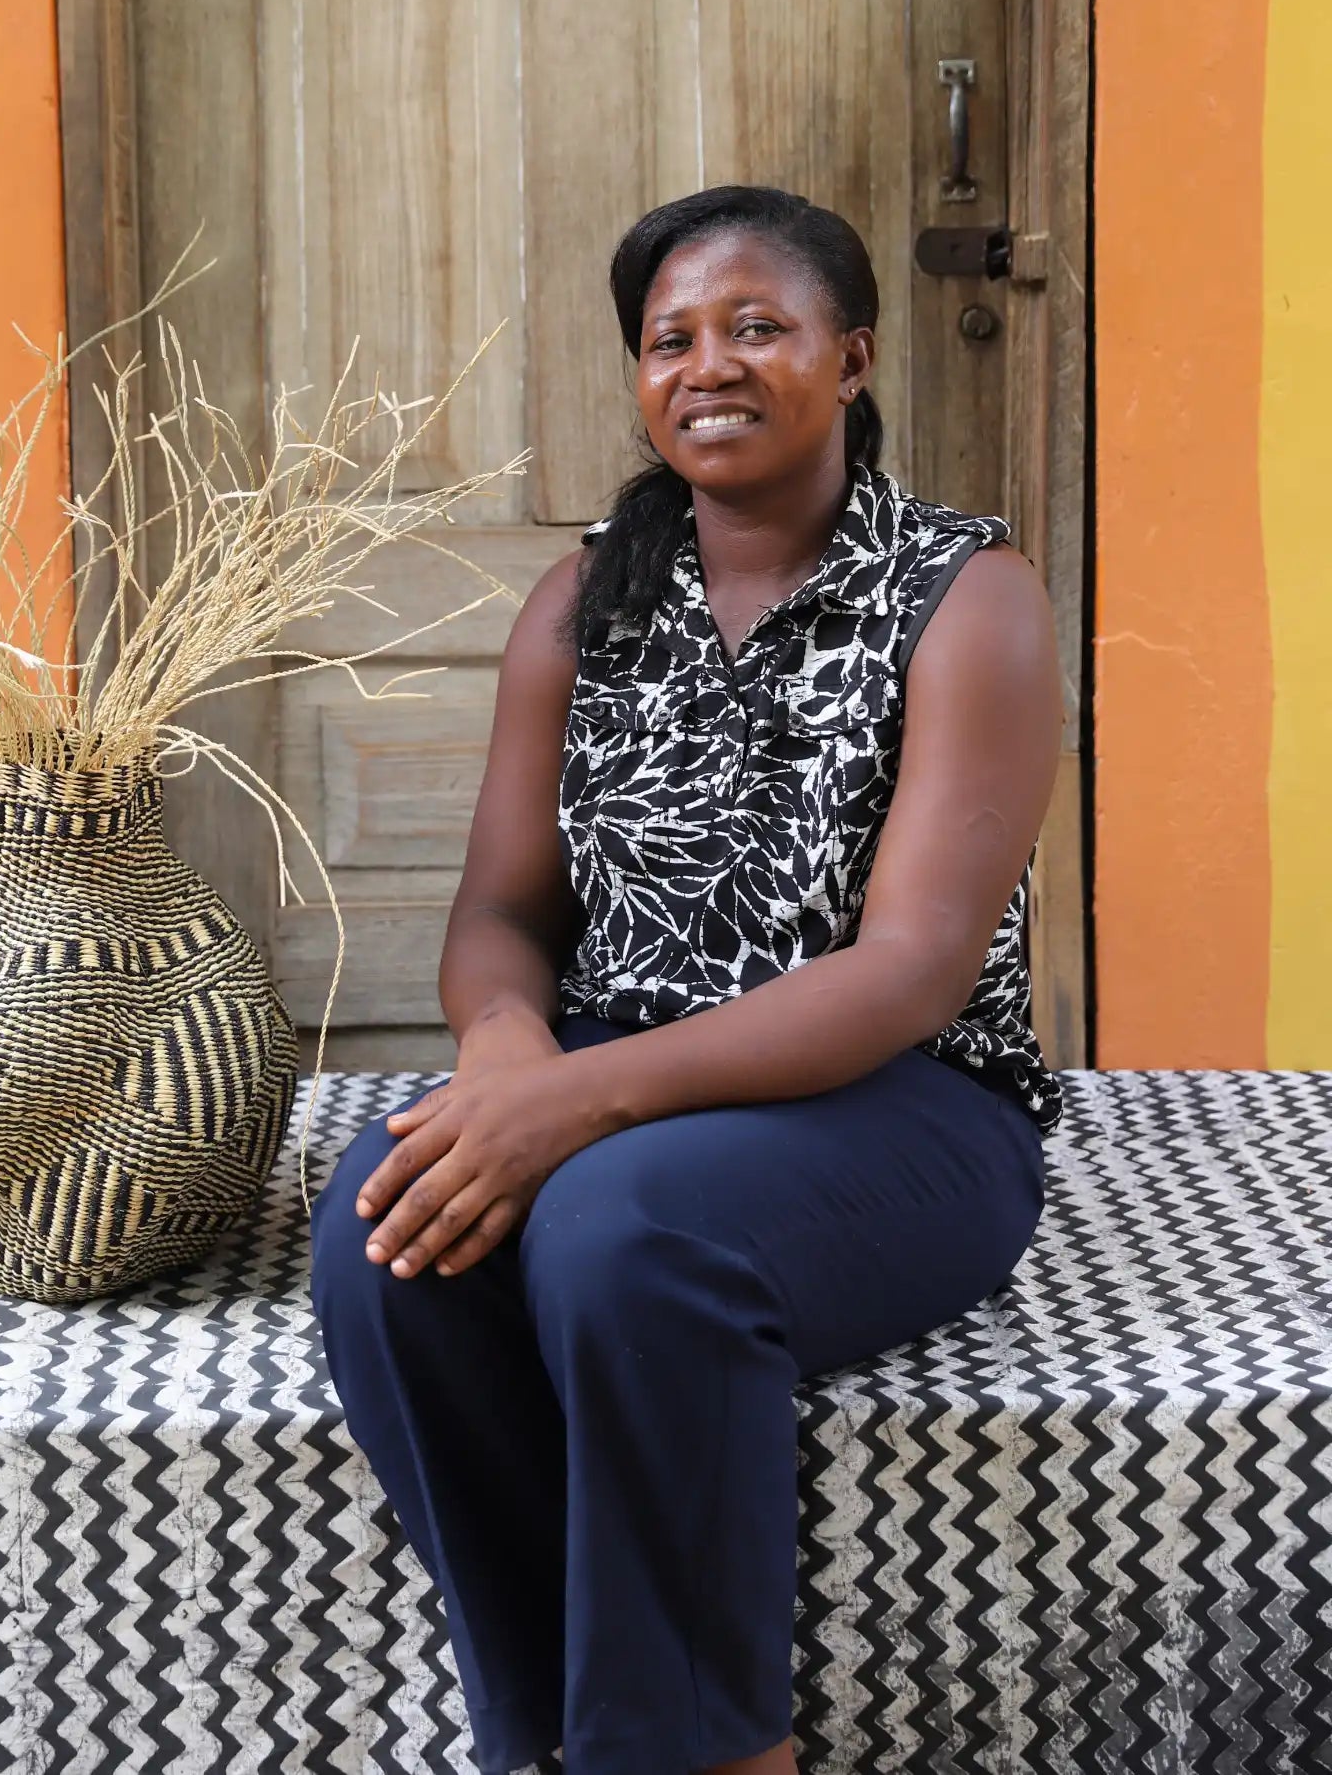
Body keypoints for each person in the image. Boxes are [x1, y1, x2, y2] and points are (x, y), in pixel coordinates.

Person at [308, 184, 1064, 1775]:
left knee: (621, 1233)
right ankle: (556, 1733)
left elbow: (912, 972)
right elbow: (503, 912)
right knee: (387, 1228)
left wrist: (567, 1104)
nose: (707, 363)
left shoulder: (965, 597)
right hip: (619, 1076)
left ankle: (715, 1748)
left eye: (756, 327)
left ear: (851, 358)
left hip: (899, 1108)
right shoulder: (588, 602)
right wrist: (509, 1045)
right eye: (671, 339)